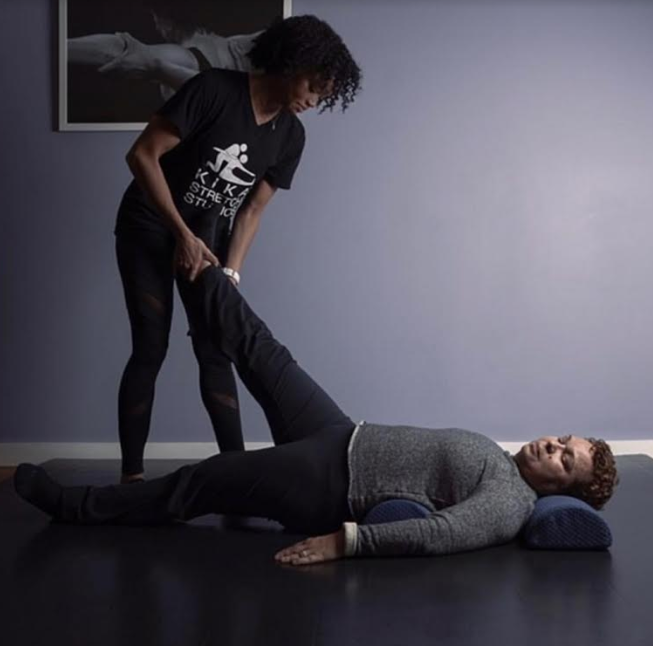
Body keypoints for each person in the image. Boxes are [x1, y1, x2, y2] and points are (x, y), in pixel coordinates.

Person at [14, 264, 619, 566]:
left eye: (565, 460)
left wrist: (345, 541)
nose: (552, 446)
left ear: (559, 490)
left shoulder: (508, 503)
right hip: (341, 434)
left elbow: (441, 534)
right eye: (563, 438)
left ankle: (72, 506)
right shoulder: (502, 460)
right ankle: (194, 260)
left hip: (328, 483)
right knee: (263, 349)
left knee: (201, 481)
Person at [112, 15, 362, 483]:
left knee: (216, 351)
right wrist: (182, 236)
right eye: (313, 86)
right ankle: (131, 479)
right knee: (150, 347)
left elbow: (251, 210)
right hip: (149, 226)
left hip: (208, 241)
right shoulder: (213, 89)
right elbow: (142, 154)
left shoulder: (291, 136)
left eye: (325, 95)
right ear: (292, 64)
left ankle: (237, 473)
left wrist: (230, 273)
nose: (315, 100)